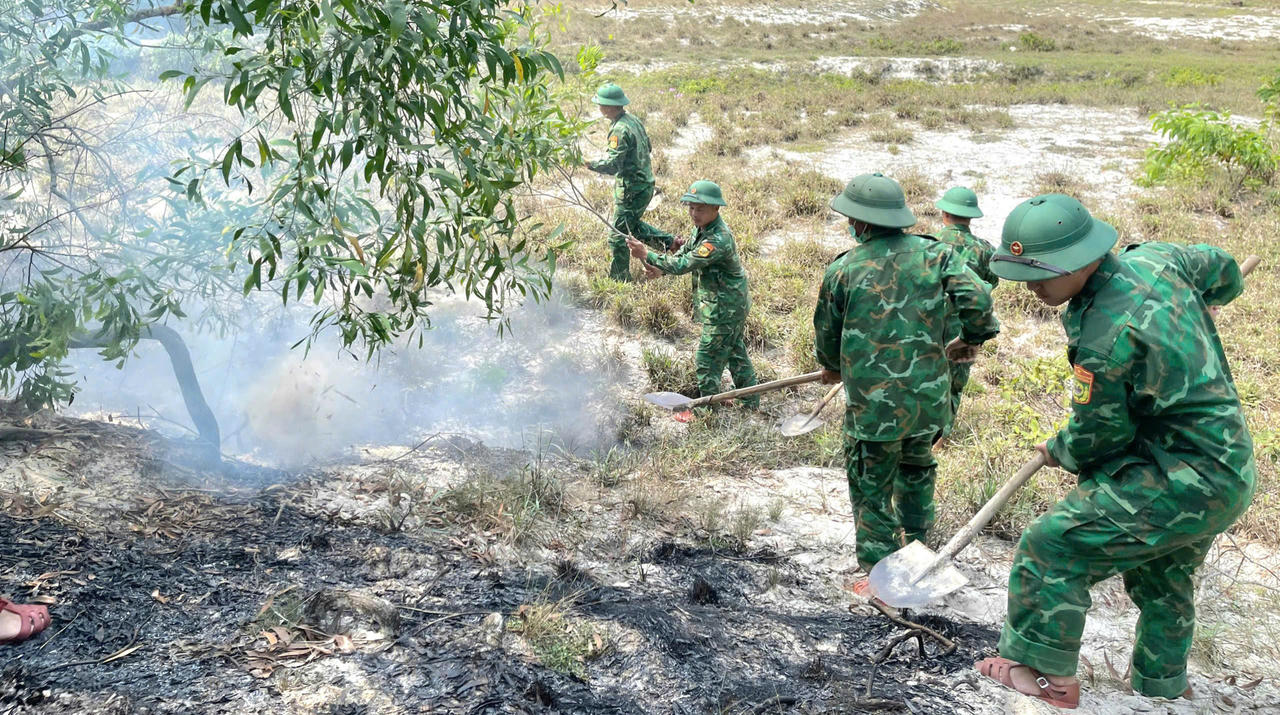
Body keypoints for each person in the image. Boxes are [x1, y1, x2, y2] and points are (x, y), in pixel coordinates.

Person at [977, 194, 1256, 709]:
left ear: (1084, 260)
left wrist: (1060, 447)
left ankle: (1044, 677)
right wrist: (1218, 293)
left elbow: (1098, 436)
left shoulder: (1107, 339)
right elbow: (1221, 266)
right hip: (1227, 467)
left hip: (1182, 477)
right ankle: (1164, 686)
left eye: (1043, 273)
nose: (1033, 285)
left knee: (1053, 545)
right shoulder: (1158, 258)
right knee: (1163, 574)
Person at [812, 173, 999, 586]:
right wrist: (970, 338)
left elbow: (828, 333)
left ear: (860, 223)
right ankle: (919, 552)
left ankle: (880, 579)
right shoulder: (937, 256)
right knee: (917, 472)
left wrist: (832, 367)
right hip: (926, 402)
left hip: (874, 410)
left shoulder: (844, 269)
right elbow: (979, 298)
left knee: (871, 488)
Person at [627, 180, 757, 408]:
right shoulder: (702, 229)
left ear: (716, 209)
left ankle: (708, 410)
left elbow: (686, 263)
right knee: (735, 353)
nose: (694, 214)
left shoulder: (718, 239)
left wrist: (648, 254)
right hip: (727, 303)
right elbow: (684, 254)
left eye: (700, 209)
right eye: (691, 208)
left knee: (707, 360)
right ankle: (750, 401)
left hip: (725, 307)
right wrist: (659, 270)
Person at [586, 83, 677, 282]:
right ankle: (670, 243)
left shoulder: (619, 130)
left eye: (601, 104)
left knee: (617, 236)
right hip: (645, 185)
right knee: (631, 227)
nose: (599, 107)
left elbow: (612, 165)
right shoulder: (633, 120)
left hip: (631, 190)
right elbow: (648, 147)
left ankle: (619, 279)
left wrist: (588, 163)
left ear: (610, 107)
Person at [933, 186, 998, 439]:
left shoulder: (929, 243)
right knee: (955, 383)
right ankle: (942, 438)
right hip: (966, 328)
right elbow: (990, 283)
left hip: (928, 324)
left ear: (944, 213)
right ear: (971, 217)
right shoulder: (984, 249)